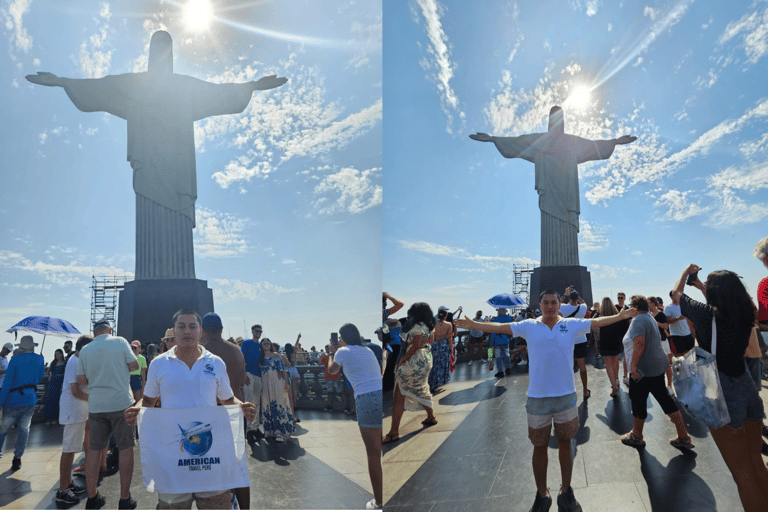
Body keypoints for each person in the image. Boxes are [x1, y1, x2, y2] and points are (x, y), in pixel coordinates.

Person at [456, 290, 634, 512]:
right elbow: (501, 327)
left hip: (566, 397)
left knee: (565, 443)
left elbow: (597, 321)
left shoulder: (570, 324)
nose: (550, 306)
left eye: (554, 302)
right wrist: (474, 325)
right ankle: (542, 494)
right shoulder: (529, 325)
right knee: (539, 446)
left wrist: (620, 316)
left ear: (559, 304)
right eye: (546, 302)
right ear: (539, 305)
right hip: (537, 398)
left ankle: (566, 491)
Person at [124, 309, 256, 510]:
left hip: (210, 454)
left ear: (200, 332)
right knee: (173, 505)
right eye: (182, 327)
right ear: (174, 332)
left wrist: (242, 406)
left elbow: (227, 399)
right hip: (174, 455)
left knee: (216, 504)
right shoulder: (159, 364)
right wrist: (136, 407)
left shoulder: (215, 362)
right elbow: (149, 401)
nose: (187, 331)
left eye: (192, 326)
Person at [673, 264, 768, 512]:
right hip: (747, 390)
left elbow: (676, 296)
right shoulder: (746, 313)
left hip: (722, 394)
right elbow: (722, 309)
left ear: (714, 294)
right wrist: (702, 287)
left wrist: (685, 274)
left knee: (742, 474)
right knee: (756, 463)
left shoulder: (706, 315)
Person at [76, 319, 139, 510]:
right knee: (126, 447)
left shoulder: (85, 350)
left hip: (96, 406)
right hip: (121, 403)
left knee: (94, 450)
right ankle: (124, 498)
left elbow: (81, 380)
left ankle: (93, 497)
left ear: (95, 332)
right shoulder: (120, 341)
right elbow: (135, 365)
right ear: (109, 330)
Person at [619, 295, 693, 451]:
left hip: (643, 370)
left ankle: (636, 436)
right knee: (665, 399)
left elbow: (639, 343)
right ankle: (683, 436)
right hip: (656, 367)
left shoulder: (638, 320)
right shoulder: (649, 318)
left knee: (639, 402)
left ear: (634, 307)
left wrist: (633, 368)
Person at [327, 324, 383, 510]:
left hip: (366, 398)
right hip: (380, 393)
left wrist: (330, 353)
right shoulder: (367, 349)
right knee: (380, 448)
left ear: (342, 338)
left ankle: (379, 501)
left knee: (373, 454)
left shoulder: (341, 352)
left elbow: (332, 372)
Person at [201, 312, 250, 510]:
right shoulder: (236, 351)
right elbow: (241, 381)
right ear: (221, 329)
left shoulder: (201, 353)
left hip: (213, 415)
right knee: (238, 466)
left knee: (213, 466)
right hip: (237, 413)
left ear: (202, 331)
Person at [383, 303, 437, 444]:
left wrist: (402, 360)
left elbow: (415, 346)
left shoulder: (416, 326)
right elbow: (430, 341)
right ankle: (431, 417)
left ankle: (393, 432)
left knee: (399, 393)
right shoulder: (430, 325)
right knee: (421, 387)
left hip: (414, 360)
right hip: (426, 358)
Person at [56, 335, 93, 505]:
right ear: (84, 347)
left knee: (71, 449)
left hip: (77, 411)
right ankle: (62, 490)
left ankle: (68, 482)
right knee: (68, 449)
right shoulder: (75, 362)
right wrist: (93, 398)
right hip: (73, 410)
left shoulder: (77, 360)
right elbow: (75, 391)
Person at [0, 335, 45, 471]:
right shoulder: (39, 359)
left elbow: (7, 383)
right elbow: (39, 378)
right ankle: (17, 458)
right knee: (24, 430)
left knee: (3, 430)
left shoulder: (15, 360)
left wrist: (1, 401)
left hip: (13, 400)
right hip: (30, 399)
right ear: (32, 347)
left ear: (20, 347)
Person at [258, 338, 295, 441]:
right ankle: (270, 431)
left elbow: (282, 370)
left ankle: (281, 431)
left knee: (279, 402)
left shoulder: (276, 356)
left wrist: (286, 384)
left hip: (277, 381)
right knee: (267, 404)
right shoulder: (260, 357)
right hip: (265, 383)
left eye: (268, 343)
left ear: (270, 345)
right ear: (261, 345)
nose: (266, 345)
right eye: (264, 343)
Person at [559, 290, 590, 400]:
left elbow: (557, 303)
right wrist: (578, 296)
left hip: (567, 340)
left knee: (566, 367)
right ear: (577, 298)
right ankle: (585, 390)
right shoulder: (583, 308)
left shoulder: (563, 307)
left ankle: (566, 391)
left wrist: (564, 295)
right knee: (582, 367)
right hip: (581, 340)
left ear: (568, 298)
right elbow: (584, 302)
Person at [598, 297, 624, 397]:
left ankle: (614, 386)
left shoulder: (601, 316)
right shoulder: (617, 315)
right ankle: (616, 381)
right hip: (616, 341)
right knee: (615, 362)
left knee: (608, 364)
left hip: (605, 341)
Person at [647, 297, 673, 389]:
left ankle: (669, 385)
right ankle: (660, 385)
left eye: (648, 302)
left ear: (654, 303)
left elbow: (666, 326)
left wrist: (656, 323)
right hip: (653, 342)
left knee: (667, 364)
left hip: (662, 341)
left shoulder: (661, 314)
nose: (647, 304)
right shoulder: (648, 315)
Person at [428, 309, 453, 392]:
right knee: (443, 365)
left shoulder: (433, 324)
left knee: (433, 365)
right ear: (445, 317)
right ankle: (440, 381)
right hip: (444, 346)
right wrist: (451, 348)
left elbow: (430, 336)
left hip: (434, 346)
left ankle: (432, 383)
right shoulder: (448, 324)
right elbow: (449, 337)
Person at [665, 290, 695, 357]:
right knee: (681, 355)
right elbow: (667, 321)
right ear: (671, 297)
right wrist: (678, 318)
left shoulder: (683, 306)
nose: (679, 297)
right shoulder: (668, 307)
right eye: (676, 295)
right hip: (676, 335)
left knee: (692, 353)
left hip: (687, 333)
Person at [44, 348, 67, 424]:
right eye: (56, 354)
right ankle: (48, 418)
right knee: (50, 400)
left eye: (58, 354)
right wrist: (49, 377)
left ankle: (55, 418)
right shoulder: (53, 362)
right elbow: (48, 371)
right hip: (52, 382)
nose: (57, 356)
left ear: (61, 354)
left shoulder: (64, 362)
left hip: (60, 382)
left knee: (57, 400)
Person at [490, 308, 514, 378]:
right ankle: (508, 368)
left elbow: (493, 332)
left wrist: (491, 342)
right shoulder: (508, 318)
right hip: (505, 339)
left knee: (498, 357)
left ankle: (500, 371)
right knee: (506, 355)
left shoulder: (495, 319)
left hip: (497, 340)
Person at [321, 344, 344, 411]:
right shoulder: (325, 357)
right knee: (329, 393)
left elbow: (339, 368)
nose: (328, 350)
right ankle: (329, 406)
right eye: (327, 349)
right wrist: (321, 356)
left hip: (335, 377)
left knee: (341, 392)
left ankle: (346, 406)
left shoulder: (336, 356)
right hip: (328, 378)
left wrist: (339, 378)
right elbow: (320, 363)